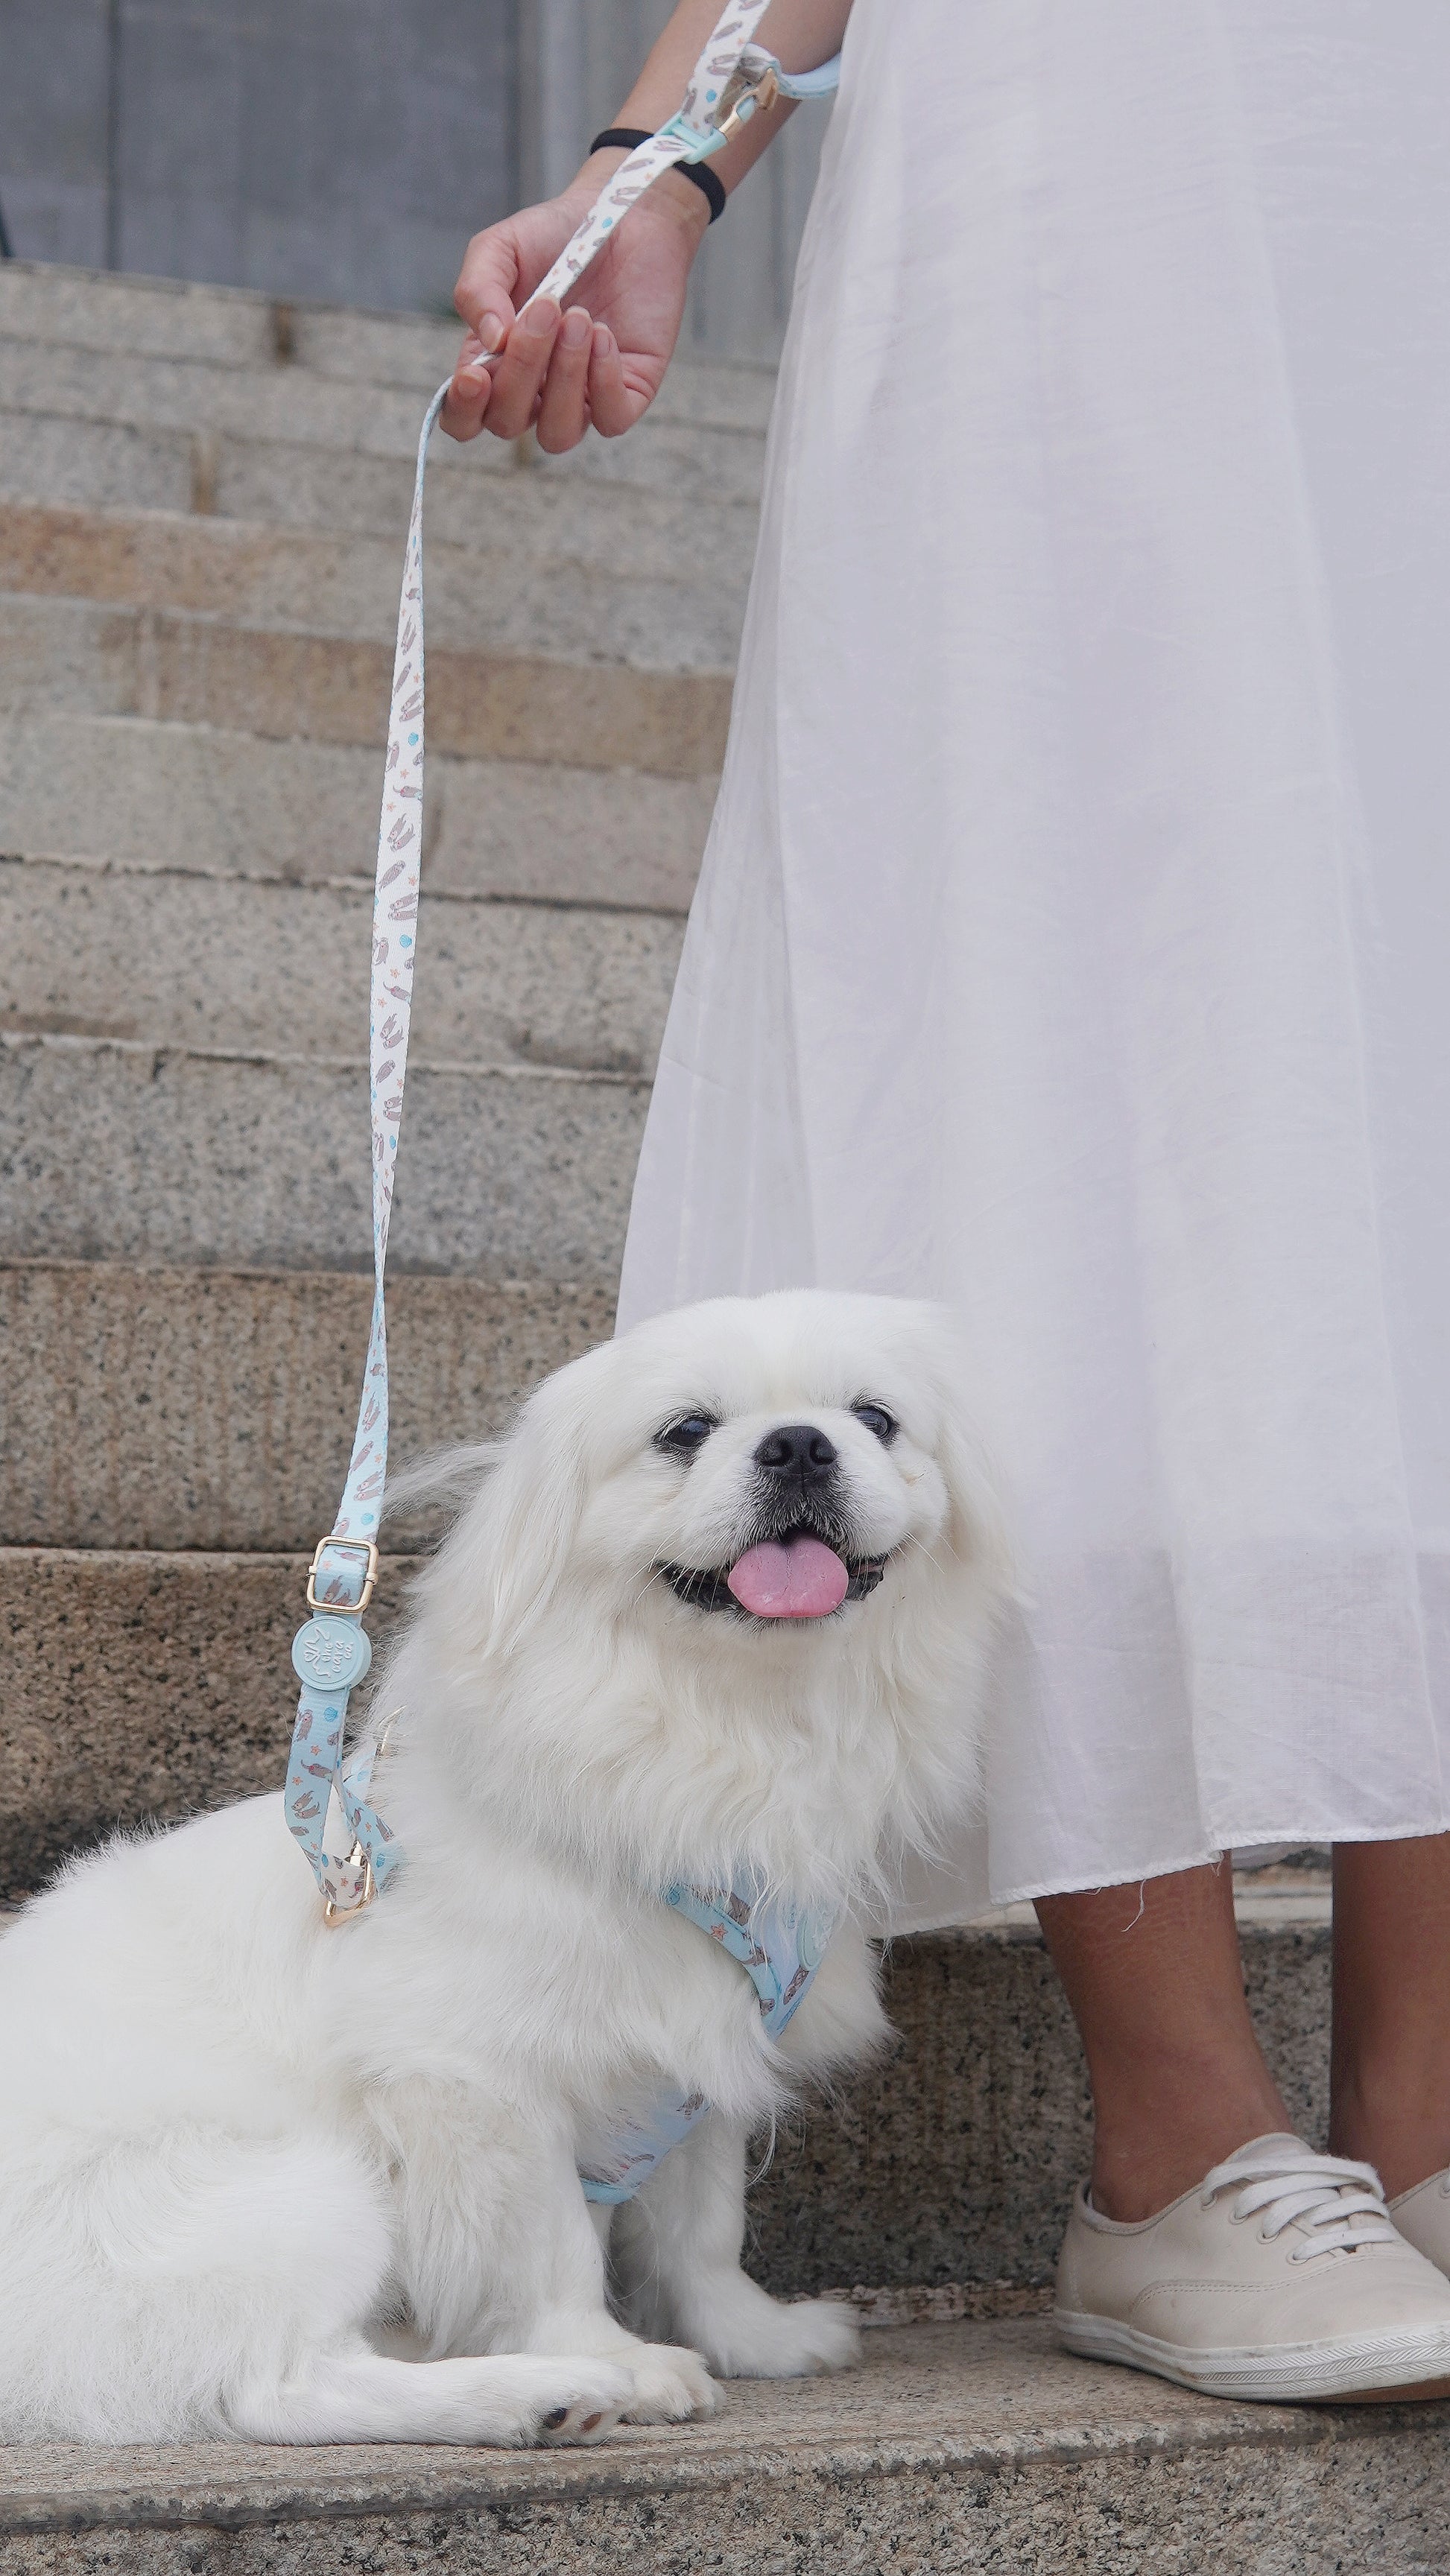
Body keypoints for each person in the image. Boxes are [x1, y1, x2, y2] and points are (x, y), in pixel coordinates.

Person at [443, 1, 1450, 2400]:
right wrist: (666, 158)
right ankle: (1177, 2135)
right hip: (1077, 147)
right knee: (1059, 990)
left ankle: (1427, 2121)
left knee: (1403, 1009)